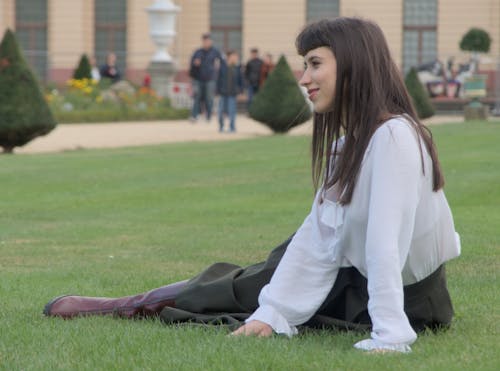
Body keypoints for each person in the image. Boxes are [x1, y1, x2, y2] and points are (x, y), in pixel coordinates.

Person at [43, 17, 460, 354]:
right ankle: (130, 304)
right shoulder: (350, 143)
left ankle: (124, 307)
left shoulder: (393, 137)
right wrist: (275, 312)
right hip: (359, 280)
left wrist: (390, 333)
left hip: (394, 297)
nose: (304, 78)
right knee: (251, 284)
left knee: (236, 290)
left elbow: (386, 243)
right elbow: (317, 236)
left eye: (315, 63)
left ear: (352, 64)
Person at [189, 33, 223, 123]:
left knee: (209, 98)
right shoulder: (198, 52)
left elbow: (222, 63)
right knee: (197, 97)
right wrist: (195, 64)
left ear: (211, 41)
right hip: (198, 78)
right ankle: (194, 115)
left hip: (210, 78)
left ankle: (208, 116)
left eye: (208, 41)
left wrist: (218, 68)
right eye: (204, 41)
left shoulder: (216, 52)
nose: (206, 43)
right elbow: (191, 65)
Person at [217, 50, 244, 132]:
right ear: (229, 57)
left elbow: (240, 81)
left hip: (232, 93)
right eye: (234, 56)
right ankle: (221, 126)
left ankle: (232, 127)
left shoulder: (237, 68)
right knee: (220, 112)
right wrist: (217, 91)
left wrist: (241, 91)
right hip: (223, 93)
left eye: (236, 57)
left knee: (232, 111)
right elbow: (218, 79)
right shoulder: (222, 67)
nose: (236, 58)